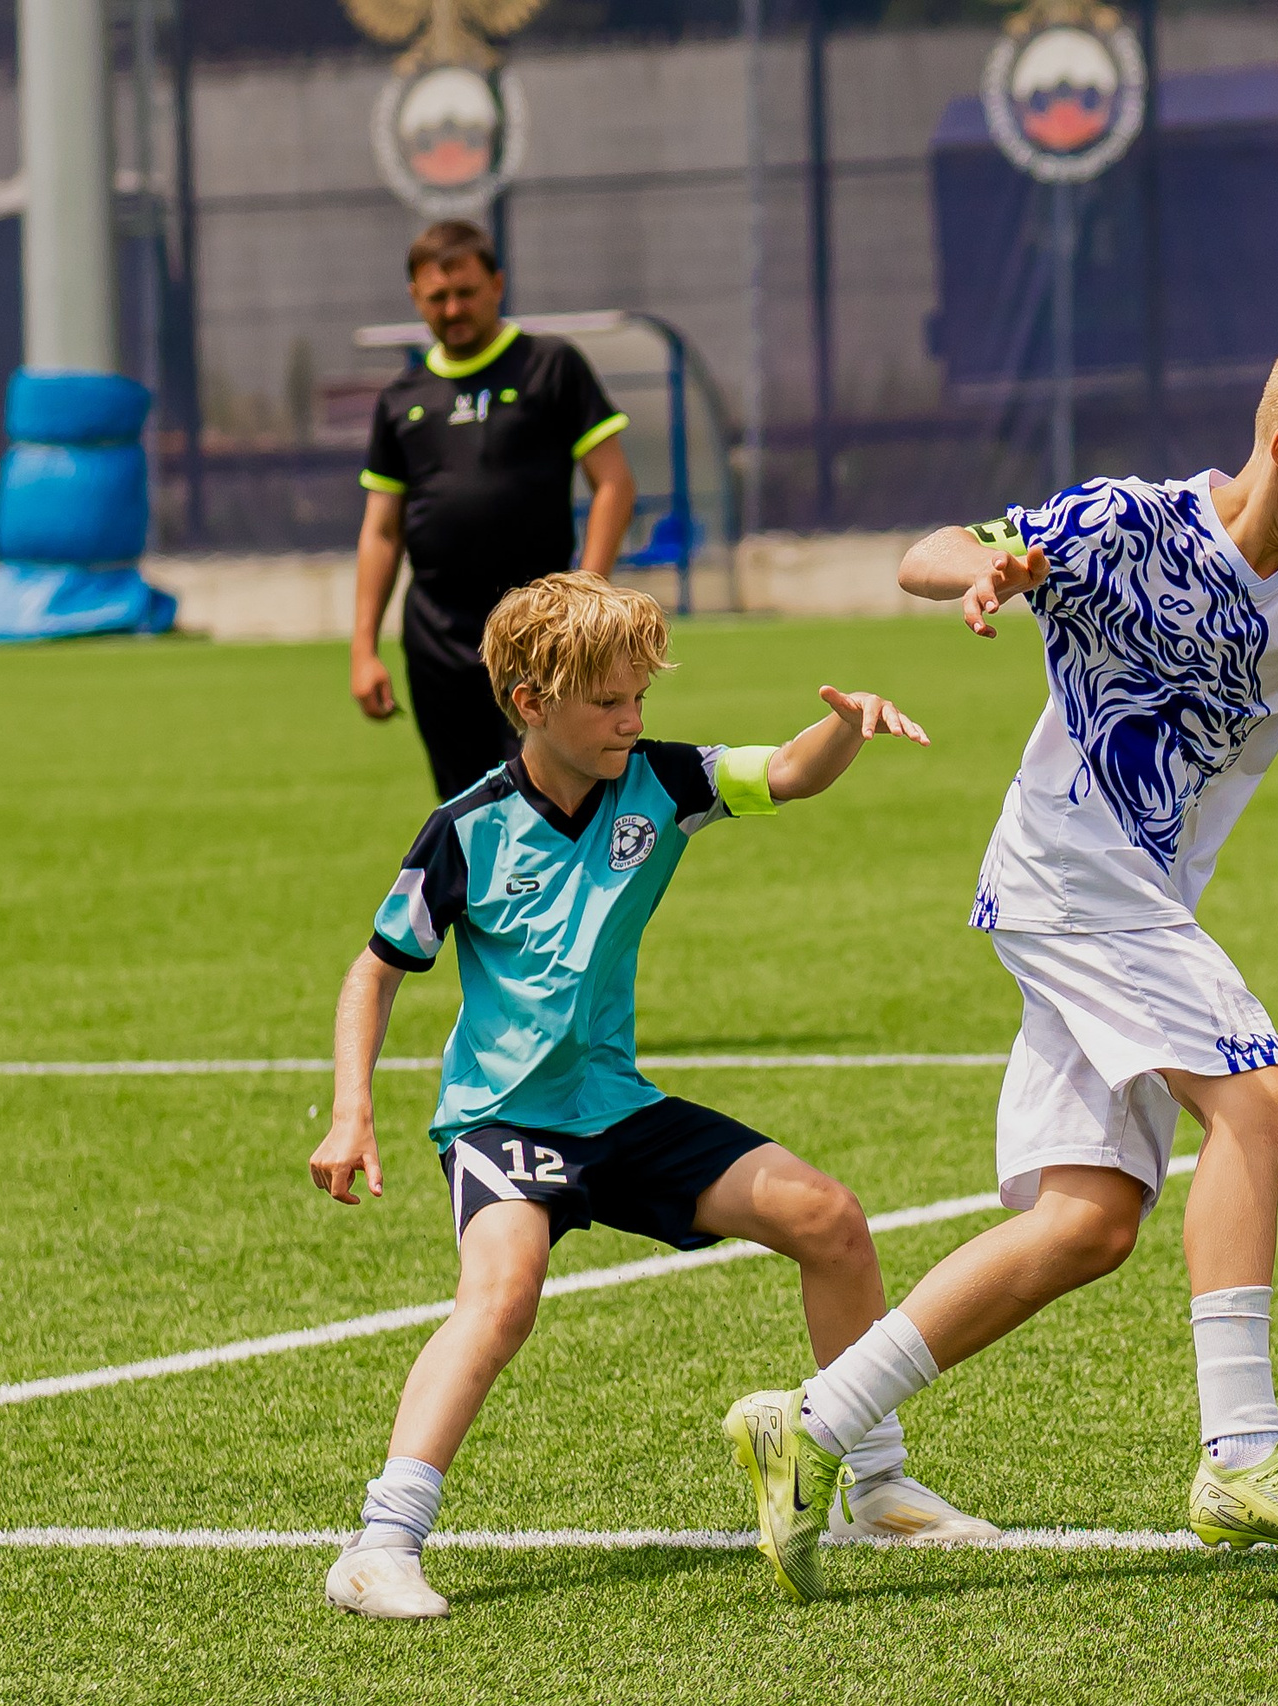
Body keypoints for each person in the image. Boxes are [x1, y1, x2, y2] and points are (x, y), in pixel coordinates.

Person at [719, 314, 1278, 1603]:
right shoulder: (1130, 524)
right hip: (1073, 880)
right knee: (1258, 1096)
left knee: (1087, 1225)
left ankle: (808, 1423)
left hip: (1126, 899)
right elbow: (938, 548)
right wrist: (987, 571)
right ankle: (1240, 1452)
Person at [311, 572, 996, 1621]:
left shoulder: (661, 781)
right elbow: (377, 967)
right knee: (501, 1300)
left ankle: (876, 1484)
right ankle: (380, 1543)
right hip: (505, 1119)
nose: (633, 719)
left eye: (640, 696)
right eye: (608, 702)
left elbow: (787, 772)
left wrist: (847, 730)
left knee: (830, 1218)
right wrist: (351, 1110)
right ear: (532, 703)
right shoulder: (467, 828)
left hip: (617, 1108)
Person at [351, 220, 640, 800]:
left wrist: (584, 593)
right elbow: (381, 533)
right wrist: (363, 649)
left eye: (466, 293)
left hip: (539, 632)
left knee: (553, 794)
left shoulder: (551, 366)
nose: (453, 308)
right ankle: (483, 897)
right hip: (437, 635)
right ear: (416, 298)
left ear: (497, 285)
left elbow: (614, 484)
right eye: (438, 297)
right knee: (467, 809)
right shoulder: (401, 399)